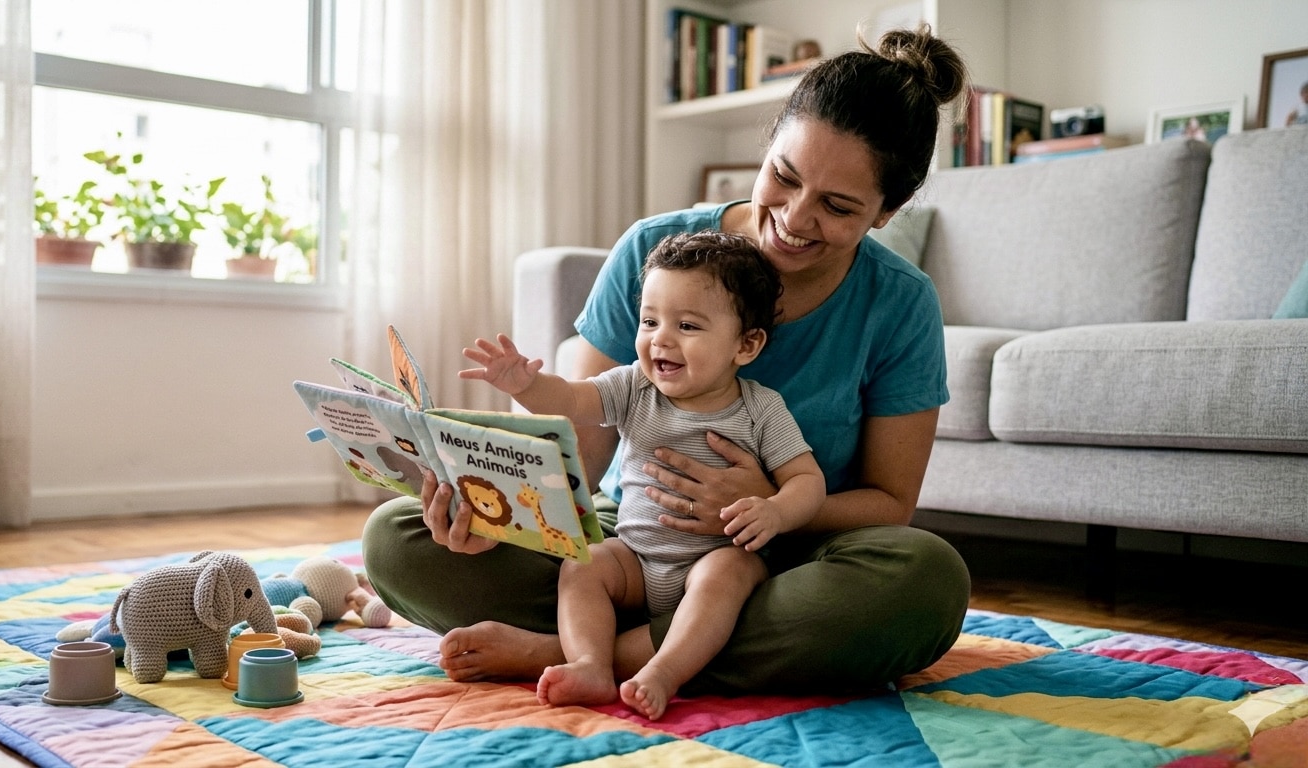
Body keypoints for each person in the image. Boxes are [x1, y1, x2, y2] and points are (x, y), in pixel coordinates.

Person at [363, 24, 972, 699]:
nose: (793, 219)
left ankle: (576, 650)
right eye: (784, 177)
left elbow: (889, 504)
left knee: (926, 579)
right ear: (768, 145)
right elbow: (580, 454)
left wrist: (767, 505)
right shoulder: (656, 250)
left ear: (889, 210)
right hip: (632, 542)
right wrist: (497, 514)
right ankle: (649, 645)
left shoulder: (899, 303)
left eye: (837, 206)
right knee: (397, 538)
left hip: (782, 563)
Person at [459, 231, 825, 719]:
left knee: (729, 574)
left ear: (746, 344)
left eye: (688, 326)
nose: (660, 339)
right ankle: (590, 664)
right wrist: (525, 385)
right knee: (584, 563)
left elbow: (807, 480)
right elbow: (569, 400)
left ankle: (665, 671)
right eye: (650, 321)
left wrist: (775, 511)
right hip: (635, 558)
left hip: (713, 559)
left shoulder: (760, 408)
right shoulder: (634, 385)